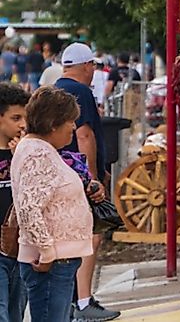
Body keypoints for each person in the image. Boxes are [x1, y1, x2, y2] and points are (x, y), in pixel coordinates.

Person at [11, 87, 93, 322]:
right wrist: (47, 253)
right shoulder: (38, 154)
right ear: (53, 123)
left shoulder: (39, 149)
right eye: (70, 121)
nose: (74, 127)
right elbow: (29, 207)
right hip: (52, 263)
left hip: (57, 260)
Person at [54, 43, 118, 321]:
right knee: (91, 234)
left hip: (58, 171)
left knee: (68, 238)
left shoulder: (54, 89)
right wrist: (93, 177)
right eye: (92, 65)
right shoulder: (80, 92)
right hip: (78, 173)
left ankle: (69, 302)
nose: (94, 70)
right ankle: (83, 301)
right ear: (85, 66)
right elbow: (85, 136)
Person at [0, 83, 28, 322]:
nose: (22, 124)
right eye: (15, 117)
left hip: (20, 247)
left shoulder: (26, 151)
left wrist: (21, 157)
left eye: (25, 118)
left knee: (15, 313)